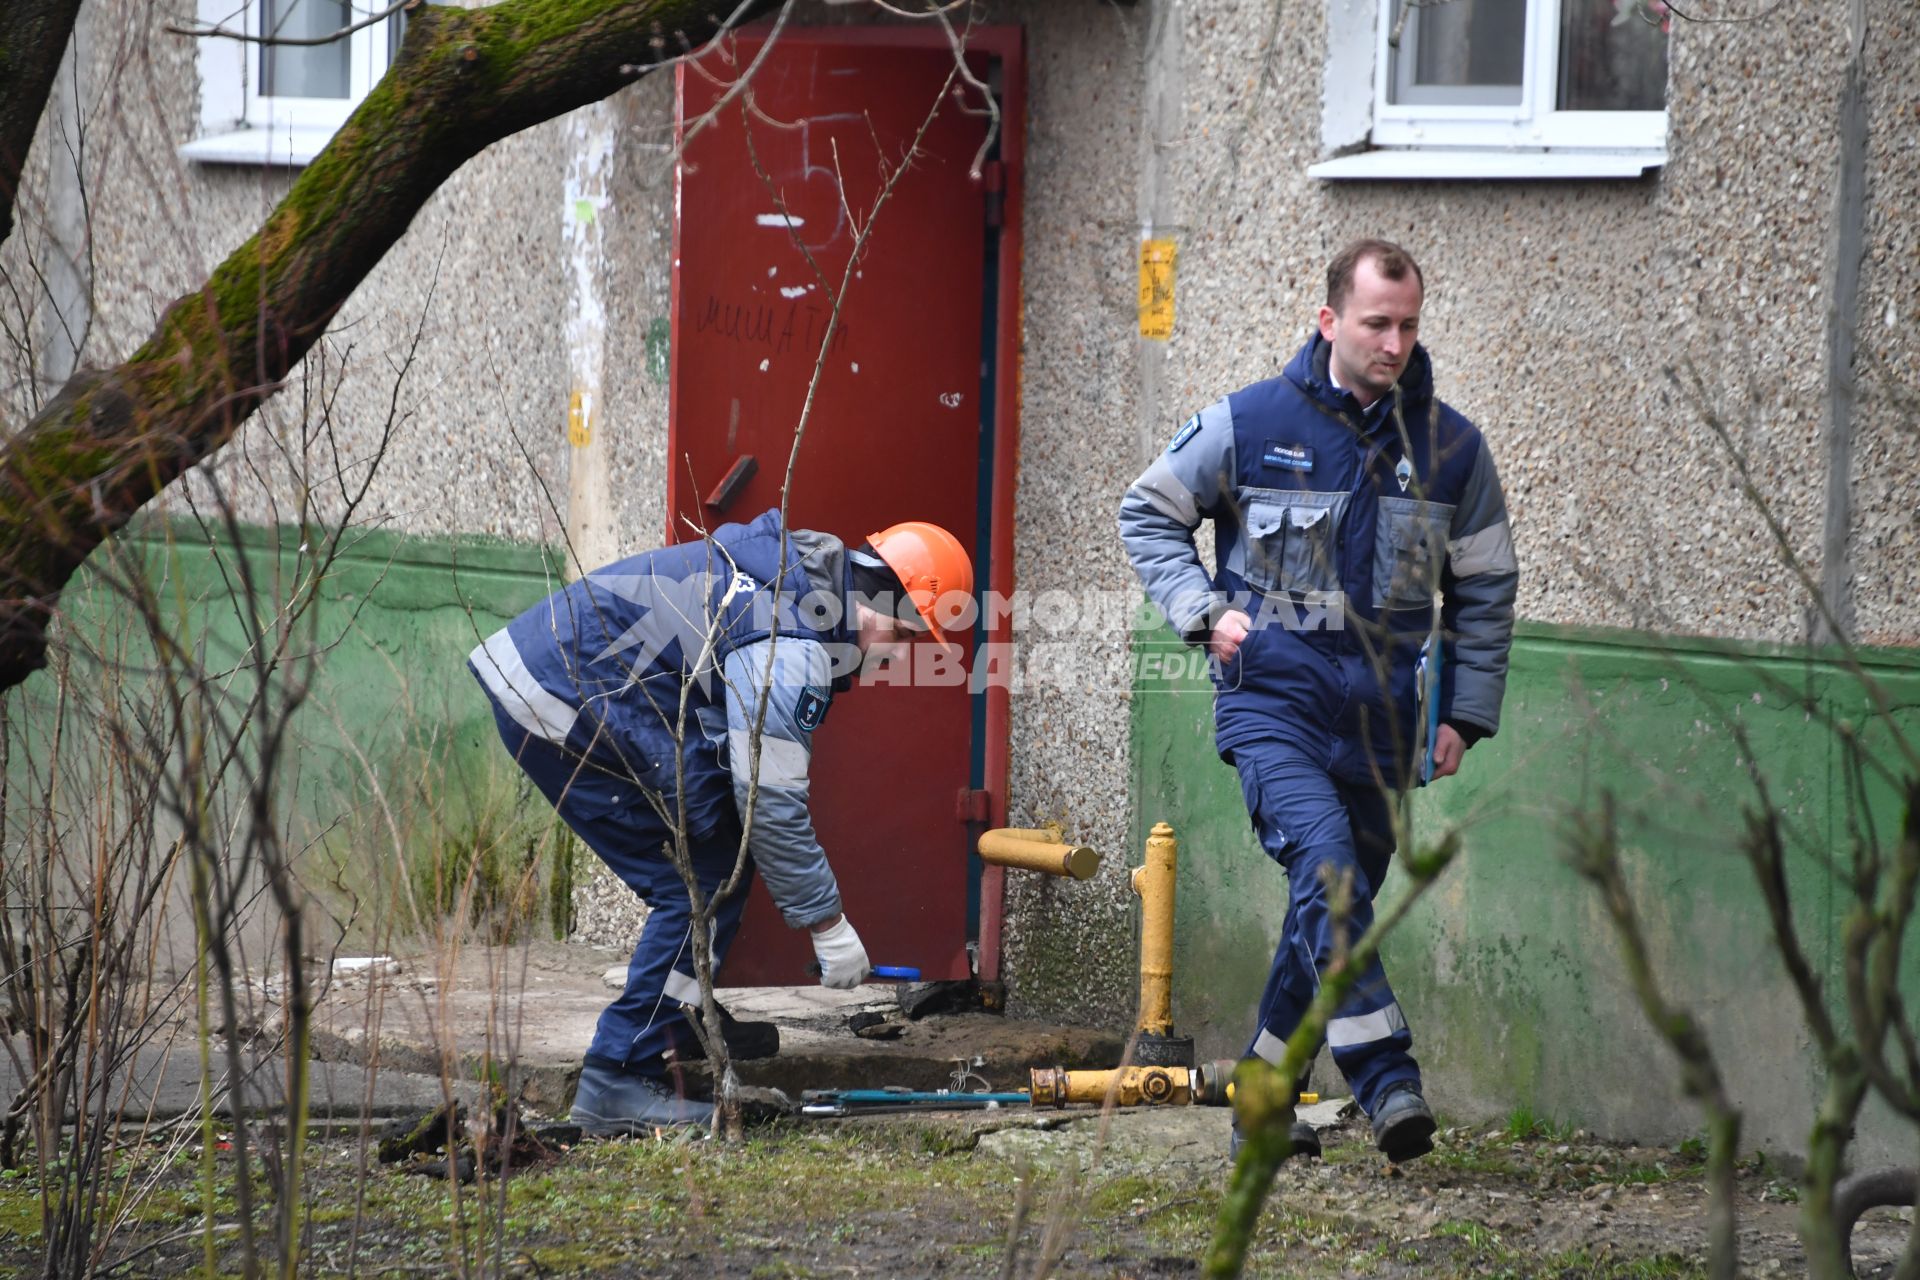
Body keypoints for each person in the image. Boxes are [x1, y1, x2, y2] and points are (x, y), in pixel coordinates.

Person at [1118, 239, 1517, 1164]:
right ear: (1331, 319)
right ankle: (1385, 1080)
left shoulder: (1453, 450)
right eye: (1377, 323)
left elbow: (1487, 589)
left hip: (1386, 725)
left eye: (1410, 325)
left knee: (1326, 914)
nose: (1395, 343)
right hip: (1274, 710)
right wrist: (1200, 610)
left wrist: (1464, 712)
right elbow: (1148, 512)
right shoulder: (1252, 421)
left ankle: (1260, 1099)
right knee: (1331, 875)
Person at [469, 508, 973, 1133]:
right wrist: (827, 924)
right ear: (877, 597)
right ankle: (617, 1075)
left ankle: (676, 1017)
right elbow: (772, 802)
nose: (900, 661)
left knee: (717, 844)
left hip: (552, 672)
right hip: (564, 691)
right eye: (906, 638)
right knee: (701, 875)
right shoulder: (794, 648)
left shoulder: (796, 578)